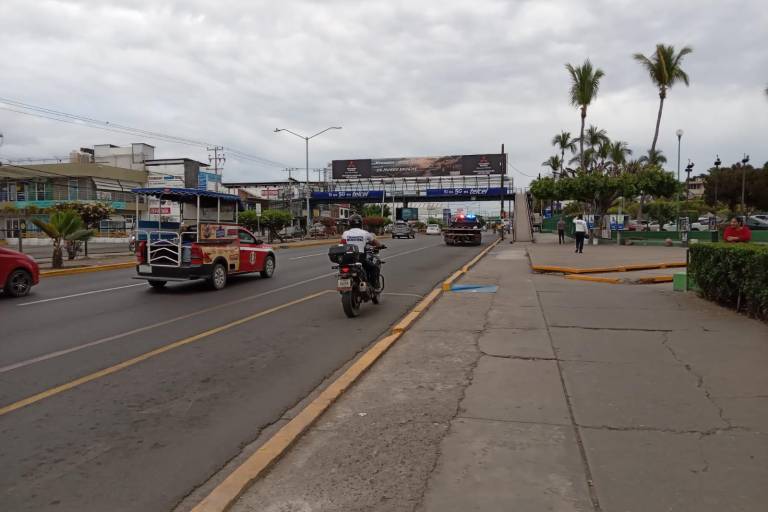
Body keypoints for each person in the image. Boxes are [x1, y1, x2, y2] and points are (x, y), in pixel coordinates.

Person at [341, 214, 384, 289]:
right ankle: (375, 286)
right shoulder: (365, 233)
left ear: (350, 223)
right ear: (361, 223)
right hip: (360, 258)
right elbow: (374, 242)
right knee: (374, 268)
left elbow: (342, 244)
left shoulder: (345, 233)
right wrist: (380, 245)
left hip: (347, 259)